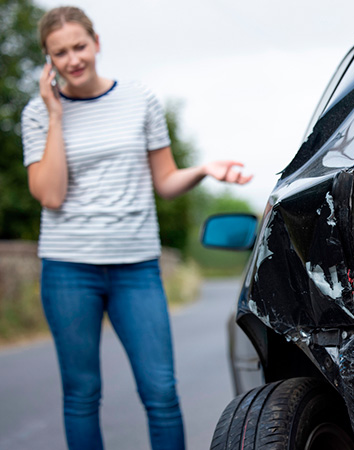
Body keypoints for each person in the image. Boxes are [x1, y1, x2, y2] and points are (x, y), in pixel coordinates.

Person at [21, 6, 252, 450]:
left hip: (136, 267)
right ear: (48, 60)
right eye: (60, 53)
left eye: (79, 46)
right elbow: (50, 194)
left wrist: (203, 169)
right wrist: (54, 114)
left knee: (161, 391)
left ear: (97, 43)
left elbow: (164, 182)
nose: (73, 60)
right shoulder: (37, 113)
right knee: (82, 394)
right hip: (69, 268)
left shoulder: (138, 98)